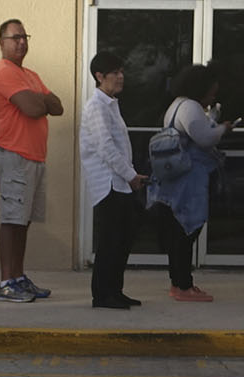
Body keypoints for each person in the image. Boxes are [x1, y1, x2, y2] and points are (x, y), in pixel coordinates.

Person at [0, 19, 62, 303]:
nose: (21, 42)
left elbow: (58, 106)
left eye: (24, 36)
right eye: (15, 37)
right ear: (1, 43)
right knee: (11, 220)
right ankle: (6, 282)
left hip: (34, 156)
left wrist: (40, 100)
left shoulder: (29, 74)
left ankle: (19, 277)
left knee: (24, 220)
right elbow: (34, 108)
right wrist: (39, 100)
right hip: (14, 155)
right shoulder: (4, 73)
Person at [148, 63, 232, 302]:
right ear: (200, 89)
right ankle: (182, 285)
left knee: (179, 230)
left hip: (176, 179)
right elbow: (204, 138)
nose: (212, 97)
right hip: (189, 179)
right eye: (211, 92)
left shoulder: (176, 105)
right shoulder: (191, 107)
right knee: (187, 229)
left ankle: (181, 282)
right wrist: (224, 128)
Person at [79, 51, 146, 309]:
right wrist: (130, 176)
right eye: (115, 73)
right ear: (99, 76)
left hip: (120, 182)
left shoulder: (111, 105)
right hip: (108, 184)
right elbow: (106, 148)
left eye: (121, 72)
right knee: (110, 240)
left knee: (123, 238)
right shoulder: (96, 107)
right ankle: (102, 294)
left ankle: (115, 290)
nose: (121, 77)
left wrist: (129, 176)